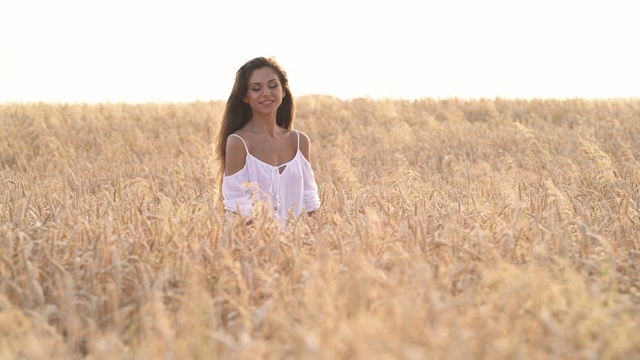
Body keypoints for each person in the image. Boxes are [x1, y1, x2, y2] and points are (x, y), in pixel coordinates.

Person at [215, 57, 321, 226]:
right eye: (256, 88)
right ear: (244, 96)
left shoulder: (299, 141)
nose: (266, 93)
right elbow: (238, 210)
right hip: (256, 248)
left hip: (300, 248)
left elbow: (310, 204)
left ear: (283, 91)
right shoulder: (239, 143)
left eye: (273, 86)